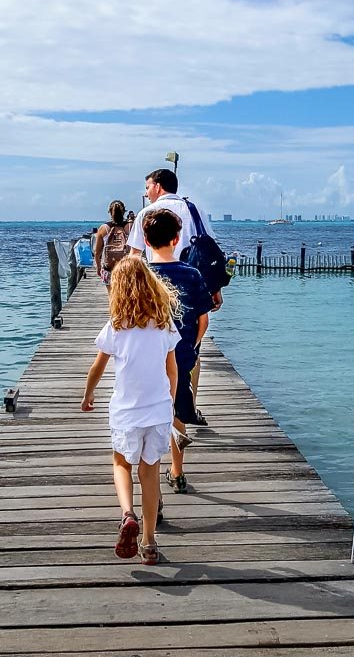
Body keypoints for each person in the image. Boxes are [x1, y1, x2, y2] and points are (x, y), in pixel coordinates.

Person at [81, 257, 180, 565]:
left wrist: (88, 394)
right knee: (149, 473)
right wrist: (170, 402)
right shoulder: (164, 322)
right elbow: (172, 370)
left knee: (122, 464)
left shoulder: (117, 326)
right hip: (158, 412)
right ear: (150, 283)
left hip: (126, 412)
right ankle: (149, 544)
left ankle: (127, 514)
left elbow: (97, 367)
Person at [143, 209, 214, 495]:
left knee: (149, 416)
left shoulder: (143, 274)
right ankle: (177, 471)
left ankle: (153, 487)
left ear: (146, 241)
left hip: (147, 357)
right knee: (176, 412)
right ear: (176, 239)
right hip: (182, 354)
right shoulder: (192, 274)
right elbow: (203, 319)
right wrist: (193, 346)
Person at [127, 168, 223, 312]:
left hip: (157, 282)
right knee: (192, 327)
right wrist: (216, 289)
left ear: (158, 187)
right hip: (192, 282)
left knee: (160, 326)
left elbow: (135, 256)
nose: (146, 193)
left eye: (148, 188)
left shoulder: (145, 213)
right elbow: (210, 252)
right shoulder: (195, 210)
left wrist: (131, 290)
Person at [94, 200, 132, 285]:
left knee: (112, 296)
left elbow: (97, 252)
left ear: (110, 212)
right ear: (124, 212)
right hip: (127, 267)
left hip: (109, 268)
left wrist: (98, 267)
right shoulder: (130, 226)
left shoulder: (103, 228)